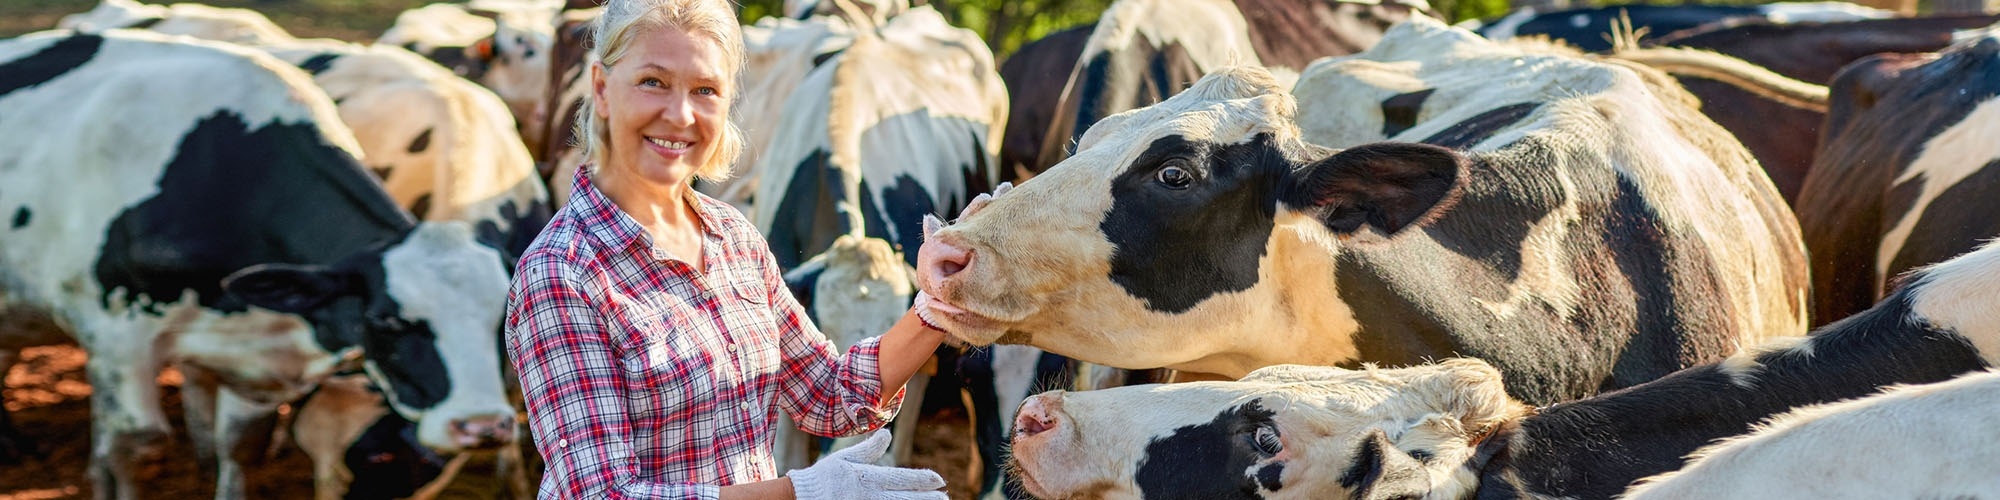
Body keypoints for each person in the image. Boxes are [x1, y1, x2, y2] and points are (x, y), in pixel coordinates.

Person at [503, 0, 951, 497]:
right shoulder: (560, 273)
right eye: (653, 82)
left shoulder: (733, 237)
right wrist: (798, 492)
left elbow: (830, 392)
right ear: (603, 89)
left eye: (705, 90)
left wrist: (939, 301)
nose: (680, 115)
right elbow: (600, 494)